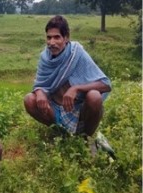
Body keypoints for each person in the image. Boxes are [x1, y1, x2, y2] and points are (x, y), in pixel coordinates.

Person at [23, 15, 111, 146]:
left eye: (57, 37)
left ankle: (85, 138)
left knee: (94, 96)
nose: (52, 42)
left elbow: (105, 85)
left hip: (79, 109)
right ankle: (60, 133)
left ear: (66, 37)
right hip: (56, 109)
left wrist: (76, 88)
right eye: (49, 37)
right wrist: (40, 92)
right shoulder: (45, 58)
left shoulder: (77, 54)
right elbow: (40, 84)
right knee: (29, 99)